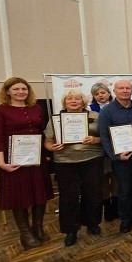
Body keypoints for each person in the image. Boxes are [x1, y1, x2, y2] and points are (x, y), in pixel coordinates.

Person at [0, 77, 54, 250]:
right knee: (19, 197)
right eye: (16, 89)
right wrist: (1, 162)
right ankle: (25, 234)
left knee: (40, 193)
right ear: (7, 91)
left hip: (36, 158)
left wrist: (46, 153)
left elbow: (40, 133)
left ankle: (37, 228)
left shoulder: (36, 108)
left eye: (24, 89)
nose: (20, 92)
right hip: (13, 160)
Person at [44, 91, 104, 246]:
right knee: (68, 197)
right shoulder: (56, 119)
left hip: (92, 159)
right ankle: (71, 230)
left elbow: (105, 137)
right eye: (69, 99)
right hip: (64, 161)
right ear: (64, 102)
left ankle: (92, 223)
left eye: (77, 98)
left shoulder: (95, 116)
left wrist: (95, 139)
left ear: (83, 101)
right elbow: (48, 141)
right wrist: (52, 147)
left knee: (93, 193)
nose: (73, 101)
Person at [98, 80, 132, 233]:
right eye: (121, 88)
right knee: (124, 189)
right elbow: (104, 137)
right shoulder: (107, 111)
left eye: (128, 88)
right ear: (115, 91)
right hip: (120, 159)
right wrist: (115, 157)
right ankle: (125, 219)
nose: (125, 90)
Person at [88, 81, 117, 221]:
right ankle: (108, 208)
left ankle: (116, 205)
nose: (100, 95)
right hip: (99, 149)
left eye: (103, 92)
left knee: (116, 177)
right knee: (103, 179)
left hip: (117, 147)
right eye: (97, 94)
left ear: (109, 93)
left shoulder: (116, 106)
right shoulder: (89, 110)